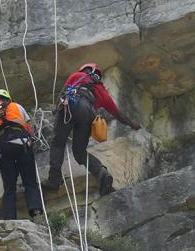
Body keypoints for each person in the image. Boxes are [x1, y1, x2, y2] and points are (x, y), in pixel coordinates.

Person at [40, 63, 141, 196]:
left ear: (85, 70)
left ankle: (54, 180)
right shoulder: (101, 90)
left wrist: (57, 111)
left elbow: (62, 94)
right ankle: (102, 173)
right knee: (80, 152)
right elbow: (118, 114)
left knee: (58, 143)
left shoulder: (77, 76)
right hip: (88, 114)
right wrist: (133, 125)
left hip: (71, 105)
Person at [0, 89, 44, 220]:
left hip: (3, 149)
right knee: (30, 182)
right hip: (22, 144)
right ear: (8, 98)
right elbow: (29, 127)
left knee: (9, 187)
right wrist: (32, 138)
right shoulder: (16, 106)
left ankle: (9, 218)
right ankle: (36, 211)